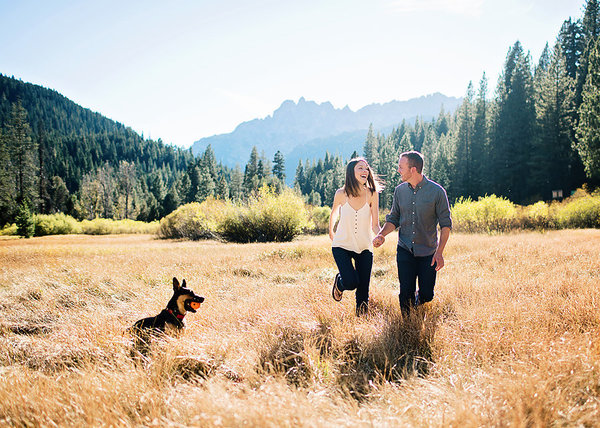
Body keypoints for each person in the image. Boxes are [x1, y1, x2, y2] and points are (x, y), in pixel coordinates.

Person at [373, 151, 451, 315]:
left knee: (427, 295)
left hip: (428, 252)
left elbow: (445, 225)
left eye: (401, 167)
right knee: (405, 292)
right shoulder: (399, 191)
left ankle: (419, 300)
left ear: (413, 169)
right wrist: (381, 234)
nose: (398, 170)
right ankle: (407, 329)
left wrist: (439, 252)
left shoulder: (437, 192)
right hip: (405, 249)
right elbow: (393, 218)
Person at [329, 157, 383, 316]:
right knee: (351, 282)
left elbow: (375, 223)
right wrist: (331, 232)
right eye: (360, 168)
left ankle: (361, 322)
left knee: (363, 288)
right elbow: (333, 214)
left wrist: (379, 235)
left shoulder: (372, 194)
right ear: (351, 172)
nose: (365, 171)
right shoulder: (341, 193)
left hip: (364, 246)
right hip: (342, 245)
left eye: (366, 168)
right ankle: (340, 281)